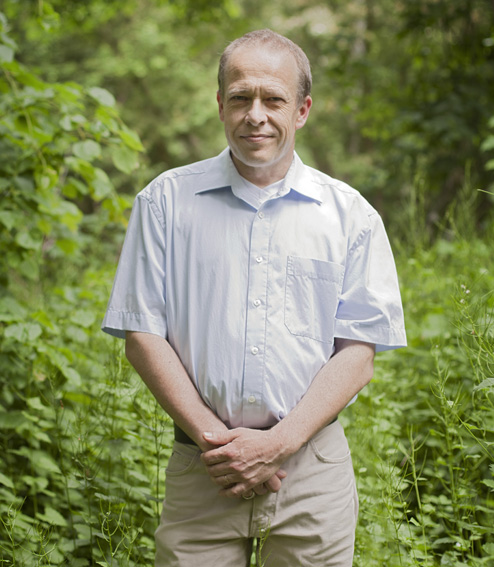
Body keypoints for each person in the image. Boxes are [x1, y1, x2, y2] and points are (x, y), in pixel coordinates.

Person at [102, 29, 406, 566]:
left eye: (274, 99)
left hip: (312, 471)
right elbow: (141, 333)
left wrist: (277, 444)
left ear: (303, 109)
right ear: (220, 105)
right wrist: (220, 444)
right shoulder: (164, 203)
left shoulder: (350, 216)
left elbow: (358, 354)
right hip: (204, 467)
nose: (255, 115)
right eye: (240, 98)